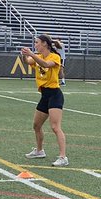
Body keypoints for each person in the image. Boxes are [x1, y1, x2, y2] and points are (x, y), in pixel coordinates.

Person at [21, 34, 68, 166]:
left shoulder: (55, 57)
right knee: (36, 125)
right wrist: (25, 54)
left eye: (37, 42)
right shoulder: (38, 56)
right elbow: (28, 61)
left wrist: (32, 54)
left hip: (55, 94)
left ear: (45, 44)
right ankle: (40, 151)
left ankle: (63, 157)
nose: (35, 45)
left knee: (55, 127)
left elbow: (45, 64)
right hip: (44, 95)